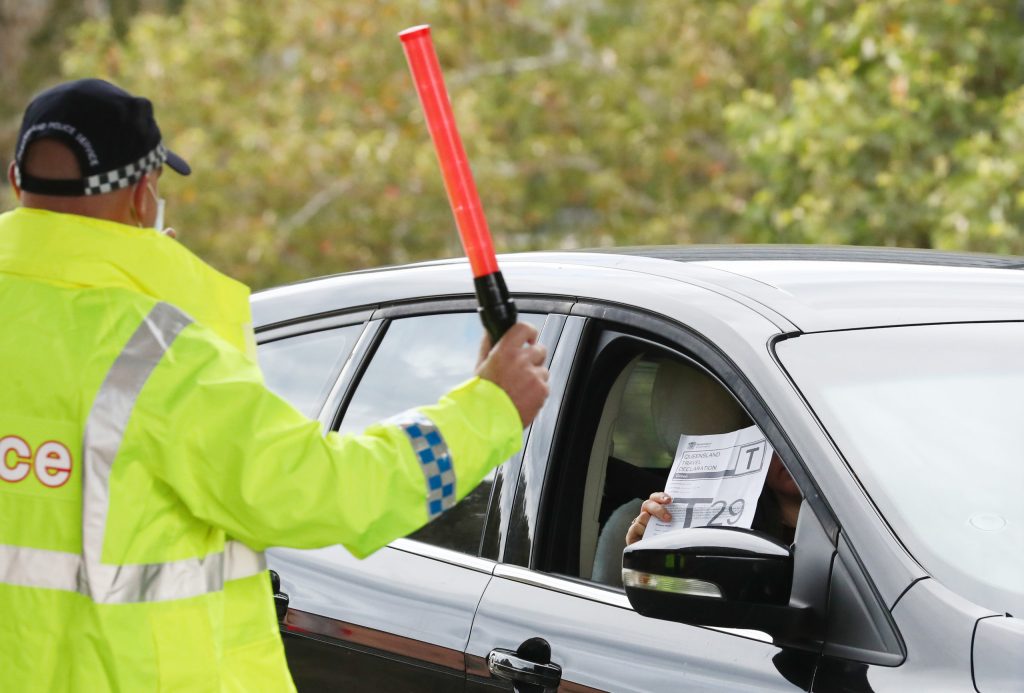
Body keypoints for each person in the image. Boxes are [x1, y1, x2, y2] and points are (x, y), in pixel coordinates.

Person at [0, 78, 549, 692]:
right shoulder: (152, 355)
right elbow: (325, 491)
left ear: (19, 185)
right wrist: (489, 412)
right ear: (140, 195)